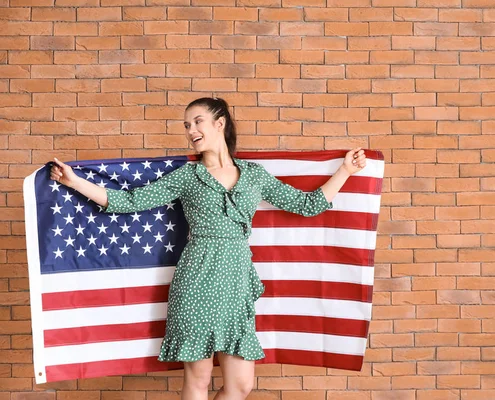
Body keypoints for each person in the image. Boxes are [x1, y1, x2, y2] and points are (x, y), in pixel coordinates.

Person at [50, 97, 367, 400]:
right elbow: (129, 201)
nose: (191, 131)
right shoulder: (188, 176)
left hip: (236, 285)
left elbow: (306, 205)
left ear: (220, 123)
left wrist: (345, 171)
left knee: (241, 386)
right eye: (187, 125)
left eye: (197, 122)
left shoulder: (254, 175)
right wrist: (74, 182)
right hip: (197, 282)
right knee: (198, 380)